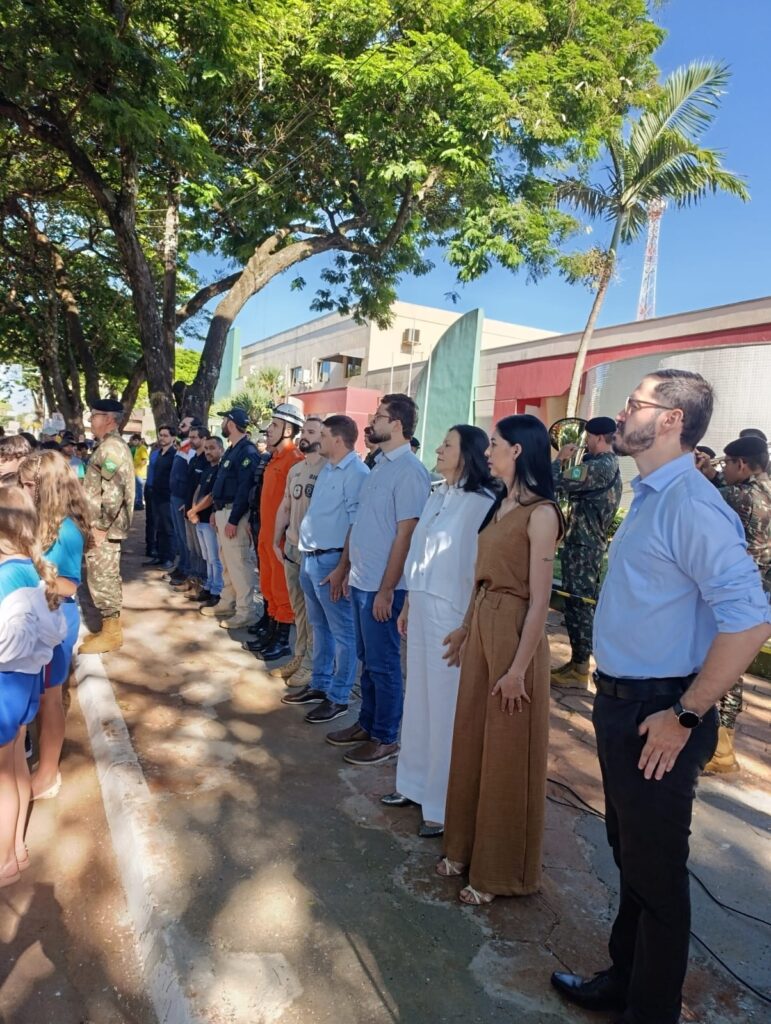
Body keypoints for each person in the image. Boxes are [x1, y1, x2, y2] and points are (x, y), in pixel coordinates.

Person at [550, 371, 771, 1024]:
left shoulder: (692, 505)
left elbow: (750, 620)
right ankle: (624, 981)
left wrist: (683, 715)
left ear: (671, 419)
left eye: (633, 404)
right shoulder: (651, 494)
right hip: (622, 705)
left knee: (658, 876)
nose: (620, 414)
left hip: (660, 713)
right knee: (632, 859)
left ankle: (649, 1011)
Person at [435, 416, 562, 904]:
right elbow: (481, 578)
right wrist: (467, 626)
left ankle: (500, 872)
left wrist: (517, 669)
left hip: (516, 636)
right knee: (471, 738)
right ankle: (463, 849)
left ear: (519, 451)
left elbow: (539, 601)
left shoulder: (542, 513)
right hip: (484, 623)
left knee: (507, 755)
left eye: (496, 444)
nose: (488, 451)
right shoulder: (499, 504)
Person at [381, 426, 496, 838]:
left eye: (448, 445)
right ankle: (412, 785)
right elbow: (418, 553)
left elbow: (479, 570)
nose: (439, 449)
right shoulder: (437, 493)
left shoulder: (482, 504)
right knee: (420, 701)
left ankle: (442, 805)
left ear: (469, 454)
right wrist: (408, 601)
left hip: (453, 614)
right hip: (424, 604)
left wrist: (469, 624)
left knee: (446, 707)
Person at [326, 394, 431, 765]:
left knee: (384, 664)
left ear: (398, 424)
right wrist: (344, 568)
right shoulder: (380, 464)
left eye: (380, 416)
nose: (373, 421)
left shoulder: (411, 472)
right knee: (365, 658)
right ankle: (367, 724)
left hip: (383, 588)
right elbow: (362, 524)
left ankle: (386, 737)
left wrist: (387, 590)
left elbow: (406, 535)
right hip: (361, 580)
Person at [0, 486, 66, 887]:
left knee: (3, 774)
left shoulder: (7, 574)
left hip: (5, 681)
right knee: (14, 766)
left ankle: (5, 858)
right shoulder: (31, 567)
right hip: (22, 683)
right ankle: (16, 847)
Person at [284, 415, 369, 722]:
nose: (318, 440)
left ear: (337, 439)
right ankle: (320, 684)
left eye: (323, 435)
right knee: (319, 627)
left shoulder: (357, 473)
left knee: (343, 632)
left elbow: (355, 524)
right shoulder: (330, 469)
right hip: (311, 557)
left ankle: (339, 696)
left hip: (333, 562)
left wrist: (343, 569)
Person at [18, 450, 89, 799]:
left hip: (56, 620)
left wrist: (29, 576)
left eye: (32, 485)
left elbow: (69, 585)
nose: (26, 491)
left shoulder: (67, 530)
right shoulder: (41, 521)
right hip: (36, 618)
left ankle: (48, 774)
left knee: (50, 699)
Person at [703, 434, 771, 773]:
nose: (724, 469)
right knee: (736, 665)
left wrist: (701, 473)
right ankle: (722, 744)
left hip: (736, 594)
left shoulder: (739, 495)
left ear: (741, 464)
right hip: (759, 594)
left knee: (726, 667)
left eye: (726, 463)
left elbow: (704, 499)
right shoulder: (766, 490)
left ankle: (722, 751)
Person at [550, 416, 622, 687]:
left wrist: (559, 460)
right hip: (582, 544)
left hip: (585, 546)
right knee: (575, 603)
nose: (585, 442)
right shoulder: (600, 465)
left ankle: (580, 668)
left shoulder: (601, 466)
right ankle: (576, 662)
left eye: (588, 437)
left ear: (599, 438)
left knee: (579, 604)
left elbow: (556, 480)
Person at [266, 415, 326, 686]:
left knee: (316, 615)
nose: (305, 436)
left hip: (314, 552)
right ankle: (299, 656)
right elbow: (285, 507)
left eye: (312, 432)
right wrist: (276, 539)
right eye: (305, 431)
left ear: (323, 438)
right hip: (291, 547)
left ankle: (313, 664)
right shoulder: (296, 470)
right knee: (299, 610)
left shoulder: (329, 470)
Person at [247, 404, 305, 659]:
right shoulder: (273, 459)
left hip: (280, 538)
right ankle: (270, 627)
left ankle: (282, 639)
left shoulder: (295, 461)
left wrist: (282, 537)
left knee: (282, 588)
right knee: (268, 584)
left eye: (274, 425)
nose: (269, 430)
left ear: (289, 430)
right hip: (266, 534)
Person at [78, 399, 136, 654]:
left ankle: (112, 634)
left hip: (106, 529)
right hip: (103, 526)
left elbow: (113, 493)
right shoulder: (108, 446)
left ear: (109, 419)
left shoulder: (112, 448)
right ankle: (108, 628)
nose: (90, 421)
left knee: (104, 577)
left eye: (93, 416)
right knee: (100, 575)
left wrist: (100, 527)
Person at [201, 408, 259, 629]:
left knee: (239, 565)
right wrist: (217, 511)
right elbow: (224, 484)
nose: (223, 422)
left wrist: (234, 519)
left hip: (236, 514)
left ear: (232, 424)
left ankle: (246, 611)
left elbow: (245, 489)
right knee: (227, 562)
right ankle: (228, 601)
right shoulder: (234, 449)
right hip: (224, 512)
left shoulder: (247, 451)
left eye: (225, 419)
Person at [187, 436, 224, 608]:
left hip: (210, 519)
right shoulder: (208, 469)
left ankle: (217, 591)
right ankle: (208, 587)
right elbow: (199, 489)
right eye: (206, 448)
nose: (208, 452)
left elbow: (211, 496)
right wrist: (193, 508)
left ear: (221, 450)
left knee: (214, 557)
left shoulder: (220, 470)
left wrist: (195, 510)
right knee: (206, 556)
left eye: (212, 448)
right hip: (200, 519)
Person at [172, 424, 209, 597]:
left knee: (202, 552)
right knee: (192, 549)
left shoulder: (206, 460)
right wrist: (186, 505)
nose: (191, 440)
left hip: (200, 514)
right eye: (190, 436)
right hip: (188, 510)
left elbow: (205, 490)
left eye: (194, 437)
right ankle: (192, 580)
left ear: (203, 439)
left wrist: (194, 509)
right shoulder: (193, 459)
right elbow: (189, 485)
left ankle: (201, 584)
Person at [168, 416, 199, 587]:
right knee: (179, 536)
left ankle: (187, 570)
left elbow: (191, 478)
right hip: (174, 496)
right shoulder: (182, 446)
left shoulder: (191, 449)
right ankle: (181, 566)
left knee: (186, 537)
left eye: (184, 425)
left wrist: (187, 500)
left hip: (182, 499)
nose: (180, 426)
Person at [145, 426, 176, 570]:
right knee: (157, 526)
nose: (162, 438)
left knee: (168, 527)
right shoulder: (158, 454)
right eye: (161, 435)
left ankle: (169, 558)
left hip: (167, 495)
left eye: (165, 435)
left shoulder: (174, 454)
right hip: (155, 494)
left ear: (172, 438)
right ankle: (159, 555)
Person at [130, 433, 149, 510]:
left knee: (139, 490)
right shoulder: (137, 448)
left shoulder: (142, 448)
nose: (132, 443)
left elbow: (145, 460)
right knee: (137, 489)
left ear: (137, 440)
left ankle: (139, 504)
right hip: (136, 472)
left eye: (133, 441)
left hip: (140, 473)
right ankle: (137, 503)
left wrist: (137, 466)